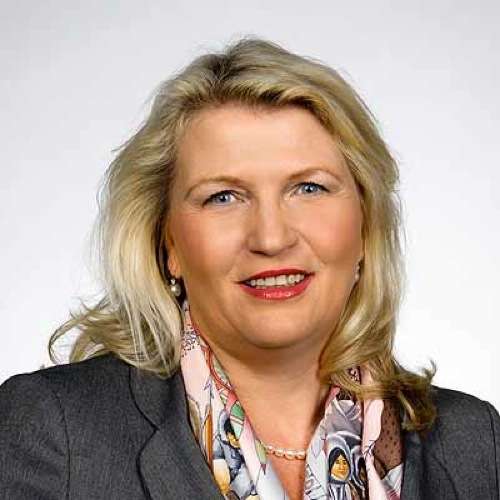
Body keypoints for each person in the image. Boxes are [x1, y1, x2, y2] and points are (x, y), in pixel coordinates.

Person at [0, 37, 498, 500]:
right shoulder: (55, 431)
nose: (271, 238)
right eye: (223, 197)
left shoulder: (475, 443)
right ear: (169, 242)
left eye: (308, 188)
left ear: (365, 225)